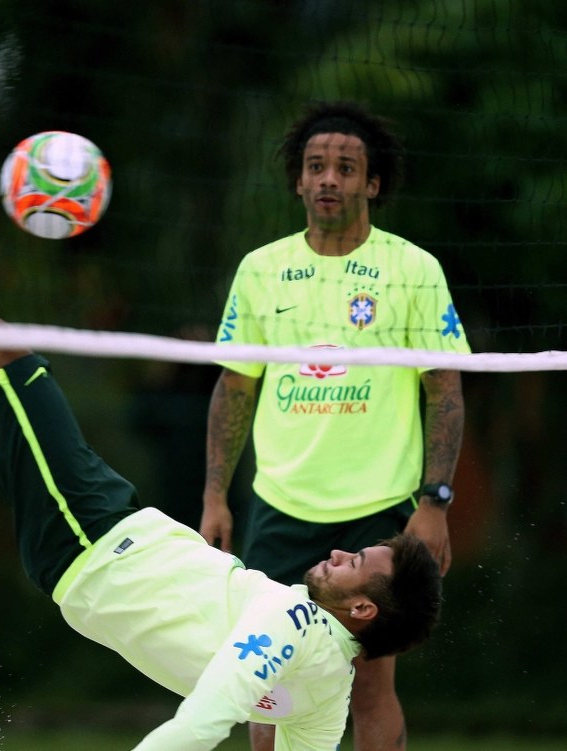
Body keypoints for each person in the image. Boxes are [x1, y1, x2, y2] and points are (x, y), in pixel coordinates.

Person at [0, 58, 443, 751]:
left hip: (93, 542)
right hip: (115, 531)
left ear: (360, 608)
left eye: (357, 561)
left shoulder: (294, 625)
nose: (341, 549)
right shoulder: (322, 686)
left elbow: (196, 724)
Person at [200, 102, 468, 751]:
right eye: (315, 166)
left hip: (378, 507)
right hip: (280, 507)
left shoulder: (413, 270)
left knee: (369, 685)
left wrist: (433, 502)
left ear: (370, 183)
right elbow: (234, 386)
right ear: (297, 180)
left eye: (344, 168)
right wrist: (214, 495)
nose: (328, 179)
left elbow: (446, 392)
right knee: (272, 681)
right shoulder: (260, 269)